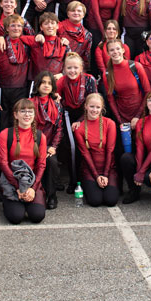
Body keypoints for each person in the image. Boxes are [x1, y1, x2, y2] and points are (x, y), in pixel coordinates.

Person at [0, 99, 47, 224]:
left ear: (34, 115)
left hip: (31, 181)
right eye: (23, 111)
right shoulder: (5, 134)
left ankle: (35, 197)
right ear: (15, 114)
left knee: (37, 216)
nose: (27, 115)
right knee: (16, 217)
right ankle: (8, 199)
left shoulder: (40, 136)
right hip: (12, 180)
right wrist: (17, 187)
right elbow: (3, 163)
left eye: (30, 111)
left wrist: (33, 189)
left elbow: (41, 165)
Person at [56, 52, 98, 189]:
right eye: (69, 68)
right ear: (64, 69)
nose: (72, 71)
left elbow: (94, 102)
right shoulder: (61, 81)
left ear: (81, 68)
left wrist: (81, 120)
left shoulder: (89, 79)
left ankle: (91, 177)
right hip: (68, 114)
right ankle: (74, 180)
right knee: (73, 147)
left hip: (87, 113)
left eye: (75, 68)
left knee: (88, 145)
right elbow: (57, 100)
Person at [74, 94, 119, 207]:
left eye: (98, 107)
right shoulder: (79, 128)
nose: (94, 110)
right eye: (92, 106)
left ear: (102, 108)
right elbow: (85, 154)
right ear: (86, 106)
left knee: (111, 200)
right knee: (95, 201)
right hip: (90, 170)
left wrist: (105, 174)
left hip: (108, 169)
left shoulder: (110, 123)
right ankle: (89, 184)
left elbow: (110, 150)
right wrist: (96, 176)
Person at [30, 71, 64, 209]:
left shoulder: (57, 106)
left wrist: (53, 147)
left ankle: (52, 195)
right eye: (43, 82)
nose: (46, 85)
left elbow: (60, 129)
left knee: (51, 161)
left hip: (49, 145)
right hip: (32, 144)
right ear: (37, 85)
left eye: (49, 83)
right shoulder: (29, 104)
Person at [0, 14, 31, 129]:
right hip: (2, 88)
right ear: (7, 28)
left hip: (21, 88)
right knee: (3, 120)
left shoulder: (27, 43)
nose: (16, 28)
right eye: (12, 25)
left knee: (19, 120)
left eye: (19, 26)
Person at [103, 39, 151, 131]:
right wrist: (119, 120)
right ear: (108, 53)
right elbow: (111, 99)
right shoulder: (107, 74)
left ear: (123, 50)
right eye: (112, 50)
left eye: (118, 49)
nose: (115, 52)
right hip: (123, 117)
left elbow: (148, 92)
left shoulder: (136, 66)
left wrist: (138, 116)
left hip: (140, 113)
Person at [58, 1, 93, 69]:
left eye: (79, 11)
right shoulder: (58, 27)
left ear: (83, 14)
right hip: (58, 68)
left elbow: (86, 57)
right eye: (73, 10)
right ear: (68, 14)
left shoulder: (87, 35)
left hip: (76, 69)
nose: (76, 13)